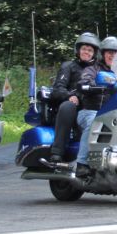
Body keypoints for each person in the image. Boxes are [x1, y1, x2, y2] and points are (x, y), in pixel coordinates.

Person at [41, 32, 100, 170]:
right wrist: (69, 96)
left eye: (90, 50)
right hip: (75, 103)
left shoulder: (98, 69)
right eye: (84, 49)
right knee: (68, 106)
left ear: (95, 53)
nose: (87, 52)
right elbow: (57, 89)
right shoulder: (69, 66)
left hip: (93, 103)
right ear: (78, 50)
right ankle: (57, 152)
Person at [75, 36, 117, 170]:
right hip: (91, 111)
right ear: (103, 54)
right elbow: (84, 82)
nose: (112, 56)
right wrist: (92, 86)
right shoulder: (93, 69)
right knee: (93, 123)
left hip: (115, 113)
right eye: (109, 52)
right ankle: (82, 163)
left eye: (116, 53)